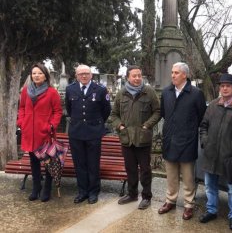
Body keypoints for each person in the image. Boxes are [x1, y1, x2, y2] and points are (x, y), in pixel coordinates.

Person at [198, 73, 232, 230]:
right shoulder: (213, 105)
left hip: (230, 157)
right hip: (211, 154)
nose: (225, 88)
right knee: (209, 185)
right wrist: (205, 142)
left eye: (228, 85)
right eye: (222, 86)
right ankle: (211, 210)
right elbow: (203, 126)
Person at [158, 62, 206, 220]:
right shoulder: (166, 92)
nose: (173, 75)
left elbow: (201, 116)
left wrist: (189, 130)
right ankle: (170, 201)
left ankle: (188, 205)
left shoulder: (196, 93)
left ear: (184, 75)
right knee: (171, 175)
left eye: (176, 73)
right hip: (170, 139)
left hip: (187, 141)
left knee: (188, 177)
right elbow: (164, 113)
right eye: (172, 72)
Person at [110, 66, 161, 209]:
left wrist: (147, 125)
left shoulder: (148, 92)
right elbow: (113, 114)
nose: (137, 78)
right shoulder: (122, 93)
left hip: (143, 138)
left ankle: (146, 196)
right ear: (128, 77)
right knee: (130, 168)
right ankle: (132, 194)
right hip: (127, 139)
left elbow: (157, 111)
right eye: (134, 76)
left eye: (139, 75)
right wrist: (119, 126)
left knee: (145, 169)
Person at [65, 64, 111, 204]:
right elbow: (69, 108)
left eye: (86, 73)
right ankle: (82, 192)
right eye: (81, 74)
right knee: (79, 164)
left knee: (93, 163)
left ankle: (93, 192)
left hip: (93, 132)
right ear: (76, 76)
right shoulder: (70, 89)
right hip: (76, 132)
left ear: (91, 75)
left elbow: (106, 110)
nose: (84, 76)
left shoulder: (101, 90)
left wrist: (96, 124)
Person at [17, 63, 63, 202]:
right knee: (34, 161)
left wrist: (51, 126)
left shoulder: (51, 92)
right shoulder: (26, 90)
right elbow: (22, 107)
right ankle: (36, 187)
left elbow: (57, 112)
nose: (36, 75)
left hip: (45, 133)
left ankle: (47, 188)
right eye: (34, 73)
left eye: (40, 73)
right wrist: (21, 122)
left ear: (45, 76)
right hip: (29, 132)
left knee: (48, 162)